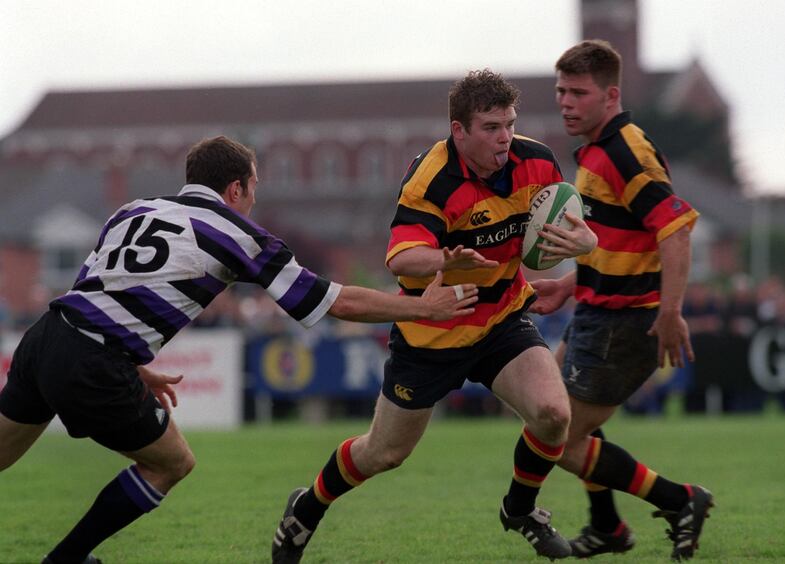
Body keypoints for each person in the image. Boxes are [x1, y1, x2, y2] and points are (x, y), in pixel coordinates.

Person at [0, 135, 481, 564]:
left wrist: (131, 363)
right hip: (92, 359)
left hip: (47, 336)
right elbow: (333, 300)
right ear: (236, 189)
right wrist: (423, 308)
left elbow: (101, 291)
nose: (253, 199)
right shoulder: (237, 233)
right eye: (254, 187)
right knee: (172, 463)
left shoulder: (134, 209)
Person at [271, 69, 598, 563]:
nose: (505, 137)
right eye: (491, 127)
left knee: (553, 414)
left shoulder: (536, 160)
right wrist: (447, 259)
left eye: (509, 123)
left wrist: (586, 244)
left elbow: (560, 232)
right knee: (383, 454)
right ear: (458, 130)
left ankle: (520, 509)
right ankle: (308, 507)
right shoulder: (432, 179)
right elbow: (402, 259)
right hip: (433, 329)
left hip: (501, 318)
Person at [531, 39, 713, 560]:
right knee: (549, 417)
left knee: (559, 440)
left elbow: (674, 230)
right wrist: (571, 284)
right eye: (561, 90)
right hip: (594, 312)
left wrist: (671, 311)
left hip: (625, 323)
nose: (566, 101)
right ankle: (608, 526)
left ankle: (680, 500)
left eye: (578, 93)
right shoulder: (595, 148)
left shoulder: (623, 150)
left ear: (610, 95)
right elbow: (619, 238)